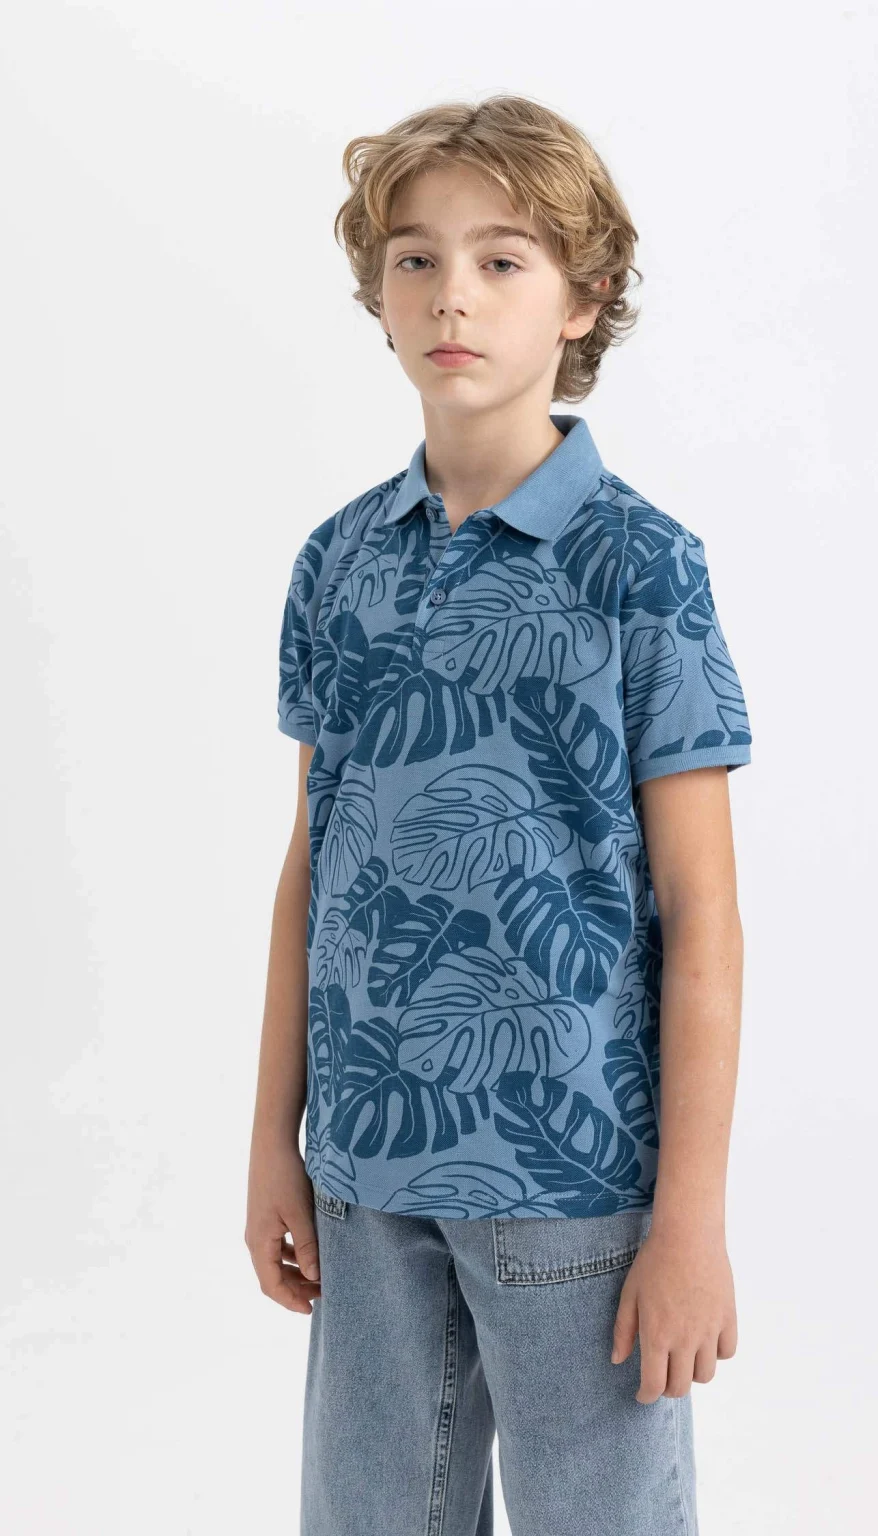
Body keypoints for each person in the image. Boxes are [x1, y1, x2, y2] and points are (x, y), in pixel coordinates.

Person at [246, 93, 753, 1536]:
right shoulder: (340, 562)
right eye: (415, 259)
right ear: (377, 296)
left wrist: (690, 1222)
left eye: (502, 259)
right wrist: (275, 1138)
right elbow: (315, 867)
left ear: (583, 300)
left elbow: (703, 912)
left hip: (573, 1180)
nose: (451, 295)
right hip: (364, 1168)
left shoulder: (641, 566)